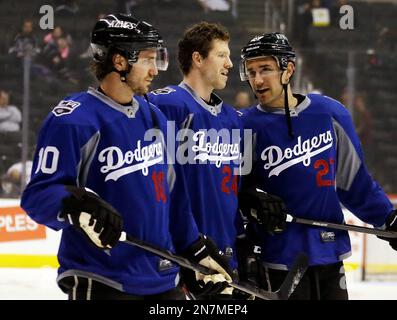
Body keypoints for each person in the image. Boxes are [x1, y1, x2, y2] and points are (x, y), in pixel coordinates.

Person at [21, 13, 233, 300]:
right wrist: (78, 205)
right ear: (119, 61)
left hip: (162, 278)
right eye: (146, 59)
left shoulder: (154, 117)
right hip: (104, 278)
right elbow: (38, 195)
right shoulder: (74, 119)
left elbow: (174, 195)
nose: (154, 70)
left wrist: (193, 246)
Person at [238, 32, 396, 300]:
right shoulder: (243, 125)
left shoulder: (330, 113)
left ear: (288, 69)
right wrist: (249, 200)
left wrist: (388, 218)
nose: (257, 80)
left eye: (265, 69)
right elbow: (234, 190)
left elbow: (354, 182)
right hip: (277, 256)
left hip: (329, 251)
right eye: (251, 72)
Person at [149, 22, 286, 299]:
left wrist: (246, 246)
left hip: (223, 259)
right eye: (221, 55)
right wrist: (182, 251)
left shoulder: (235, 120)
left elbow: (239, 192)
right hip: (181, 256)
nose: (229, 63)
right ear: (197, 59)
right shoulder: (166, 105)